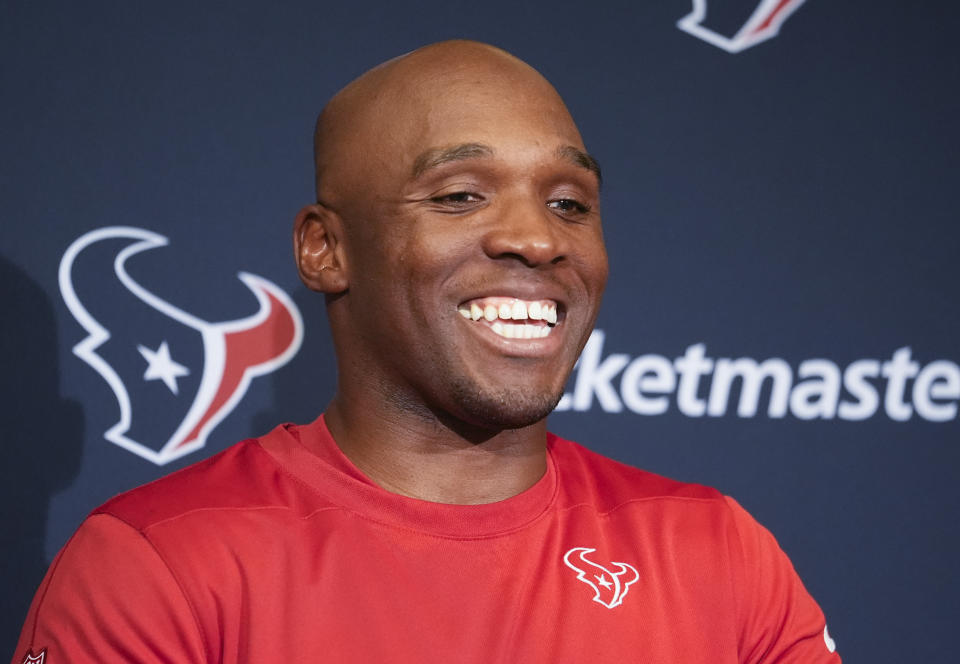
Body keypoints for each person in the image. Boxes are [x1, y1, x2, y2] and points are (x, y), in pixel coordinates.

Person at [12, 40, 840, 663]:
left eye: (569, 202)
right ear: (325, 250)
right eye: (459, 196)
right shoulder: (161, 567)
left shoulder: (717, 555)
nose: (536, 238)